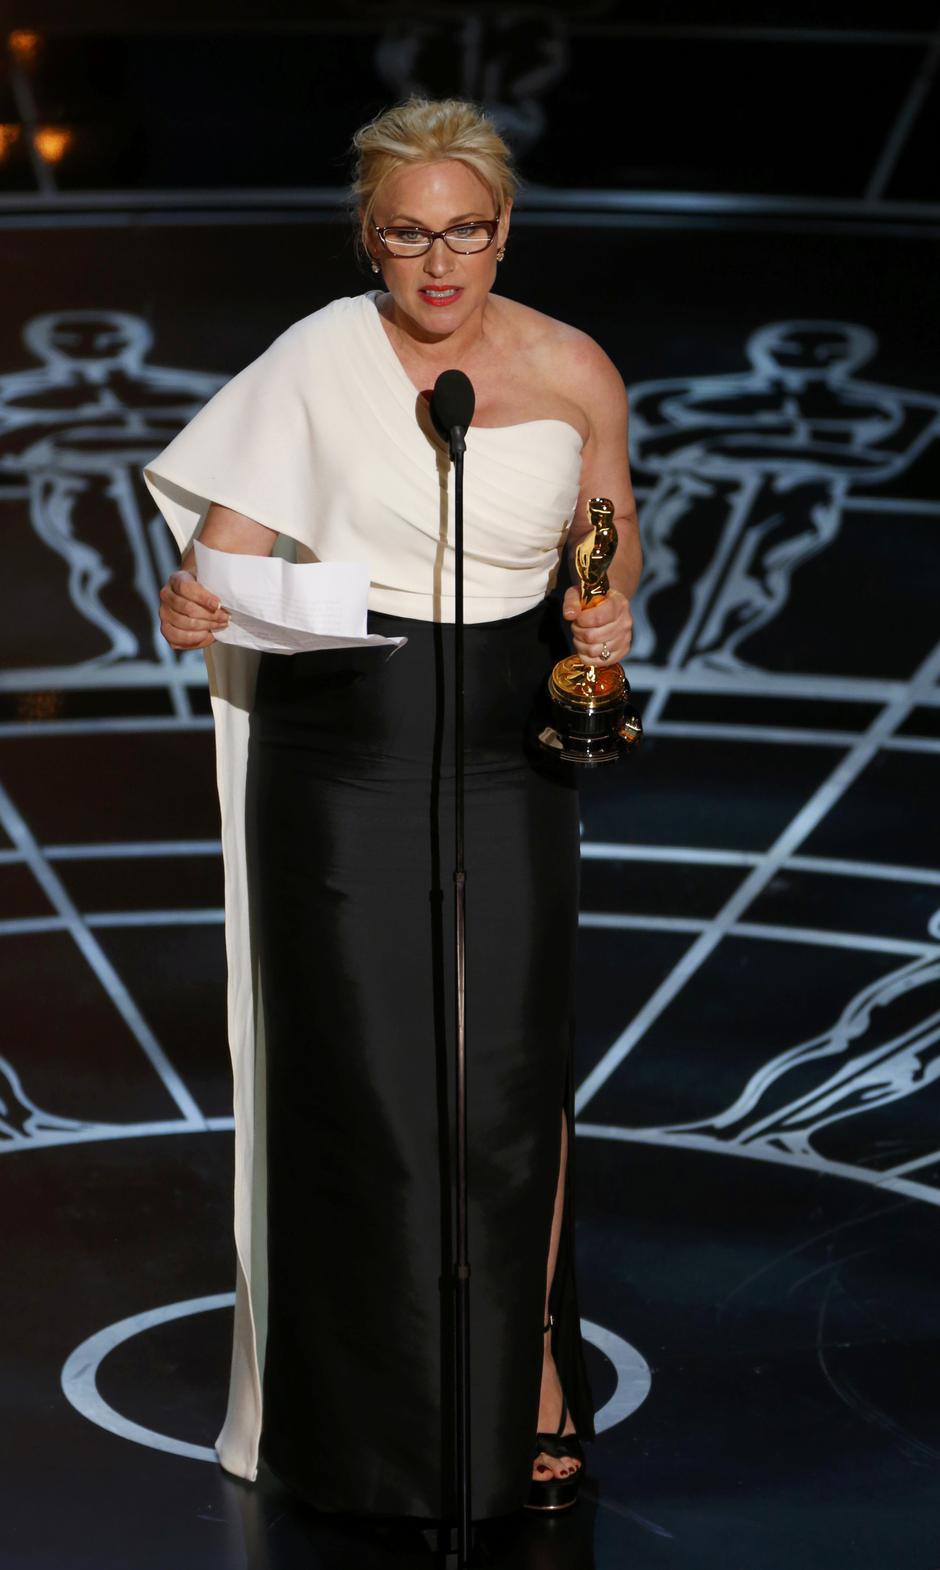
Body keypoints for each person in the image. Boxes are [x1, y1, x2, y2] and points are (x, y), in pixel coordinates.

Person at [145, 96, 641, 1523]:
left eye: (465, 232)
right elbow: (220, 556)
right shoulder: (320, 357)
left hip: (507, 746)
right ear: (370, 237)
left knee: (509, 1075)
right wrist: (189, 602)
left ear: (505, 230)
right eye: (410, 234)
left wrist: (608, 612)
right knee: (365, 1080)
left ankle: (532, 1382)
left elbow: (610, 536)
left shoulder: (573, 368)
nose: (439, 263)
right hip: (343, 751)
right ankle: (371, 1412)